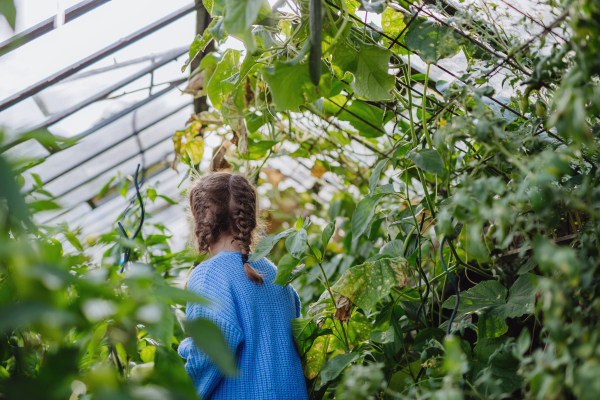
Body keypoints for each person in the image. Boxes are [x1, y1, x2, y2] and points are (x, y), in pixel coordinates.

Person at [178, 171, 308, 400]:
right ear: (250, 216)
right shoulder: (277, 275)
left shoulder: (209, 276)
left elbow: (208, 356)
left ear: (200, 220)